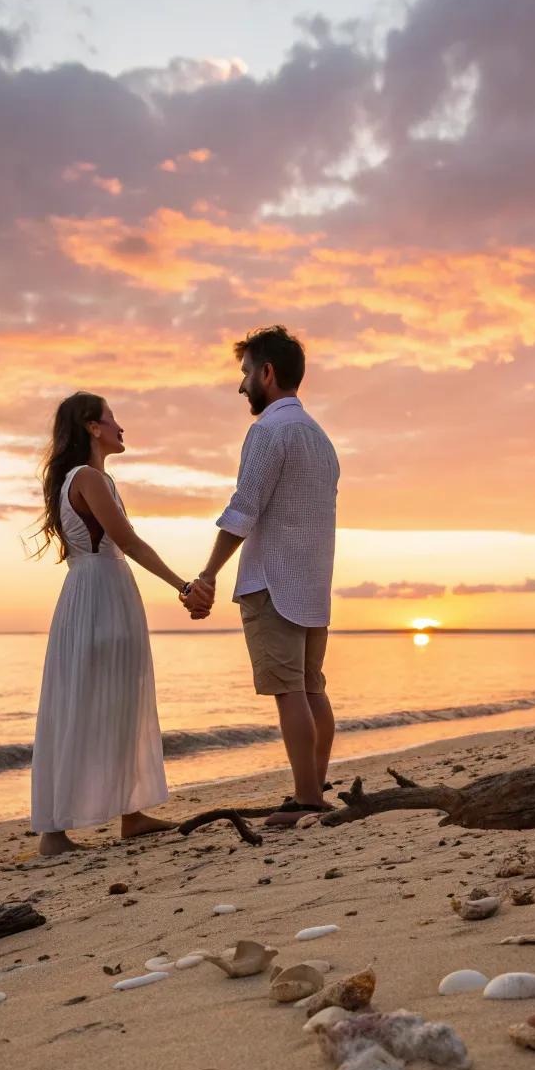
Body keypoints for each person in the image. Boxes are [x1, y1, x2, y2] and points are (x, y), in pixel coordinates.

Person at [184, 326, 340, 827]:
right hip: (313, 585)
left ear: (267, 373)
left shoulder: (269, 431)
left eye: (246, 372)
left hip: (273, 581)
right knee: (312, 687)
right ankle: (313, 793)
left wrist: (207, 573)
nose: (241, 384)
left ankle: (306, 800)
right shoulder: (319, 438)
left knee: (289, 691)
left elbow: (243, 508)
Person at [30, 392, 191, 855]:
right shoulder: (86, 478)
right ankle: (54, 832)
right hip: (99, 595)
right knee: (84, 704)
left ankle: (132, 813)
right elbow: (128, 540)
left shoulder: (99, 479)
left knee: (122, 700)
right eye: (112, 418)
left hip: (103, 592)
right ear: (92, 427)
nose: (121, 426)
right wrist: (183, 585)